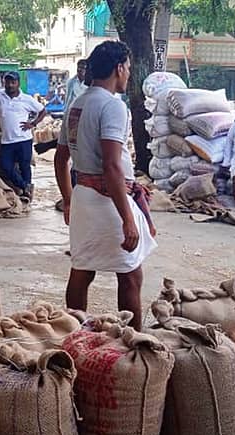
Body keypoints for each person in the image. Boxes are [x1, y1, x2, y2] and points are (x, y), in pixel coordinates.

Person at [54, 40, 157, 331]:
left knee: (82, 270)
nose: (128, 74)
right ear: (119, 68)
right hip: (108, 200)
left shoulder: (78, 104)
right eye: (127, 68)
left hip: (85, 197)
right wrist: (128, 219)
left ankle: (73, 334)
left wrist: (69, 199)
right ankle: (134, 343)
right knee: (130, 276)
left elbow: (61, 158)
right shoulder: (112, 106)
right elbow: (112, 166)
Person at [0, 71, 46, 200]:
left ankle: (26, 193)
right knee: (6, 166)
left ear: (18, 83)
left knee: (25, 167)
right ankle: (25, 186)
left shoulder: (27, 99)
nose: (10, 85)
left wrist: (33, 123)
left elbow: (42, 111)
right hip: (7, 141)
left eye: (13, 82)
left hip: (24, 139)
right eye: (7, 82)